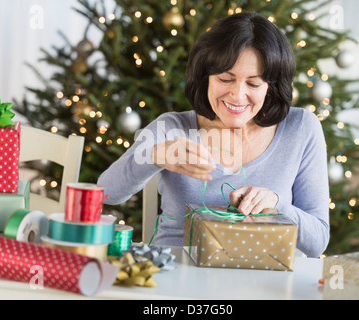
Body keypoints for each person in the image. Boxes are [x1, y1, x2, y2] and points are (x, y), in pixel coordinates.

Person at [98, 12, 330, 258]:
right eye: (225, 79)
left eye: (253, 84)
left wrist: (277, 204)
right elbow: (106, 193)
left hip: (265, 282)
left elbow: (317, 243)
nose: (237, 95)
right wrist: (154, 156)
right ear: (205, 77)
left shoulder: (301, 127)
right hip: (178, 275)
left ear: (271, 88)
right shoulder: (171, 128)